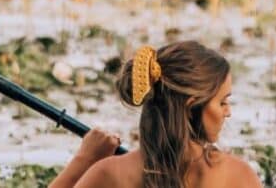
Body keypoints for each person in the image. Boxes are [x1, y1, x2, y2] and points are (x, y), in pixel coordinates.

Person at [49, 40, 262, 188]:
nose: (229, 112)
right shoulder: (237, 176)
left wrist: (84, 159)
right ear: (190, 107)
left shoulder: (110, 175)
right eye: (222, 102)